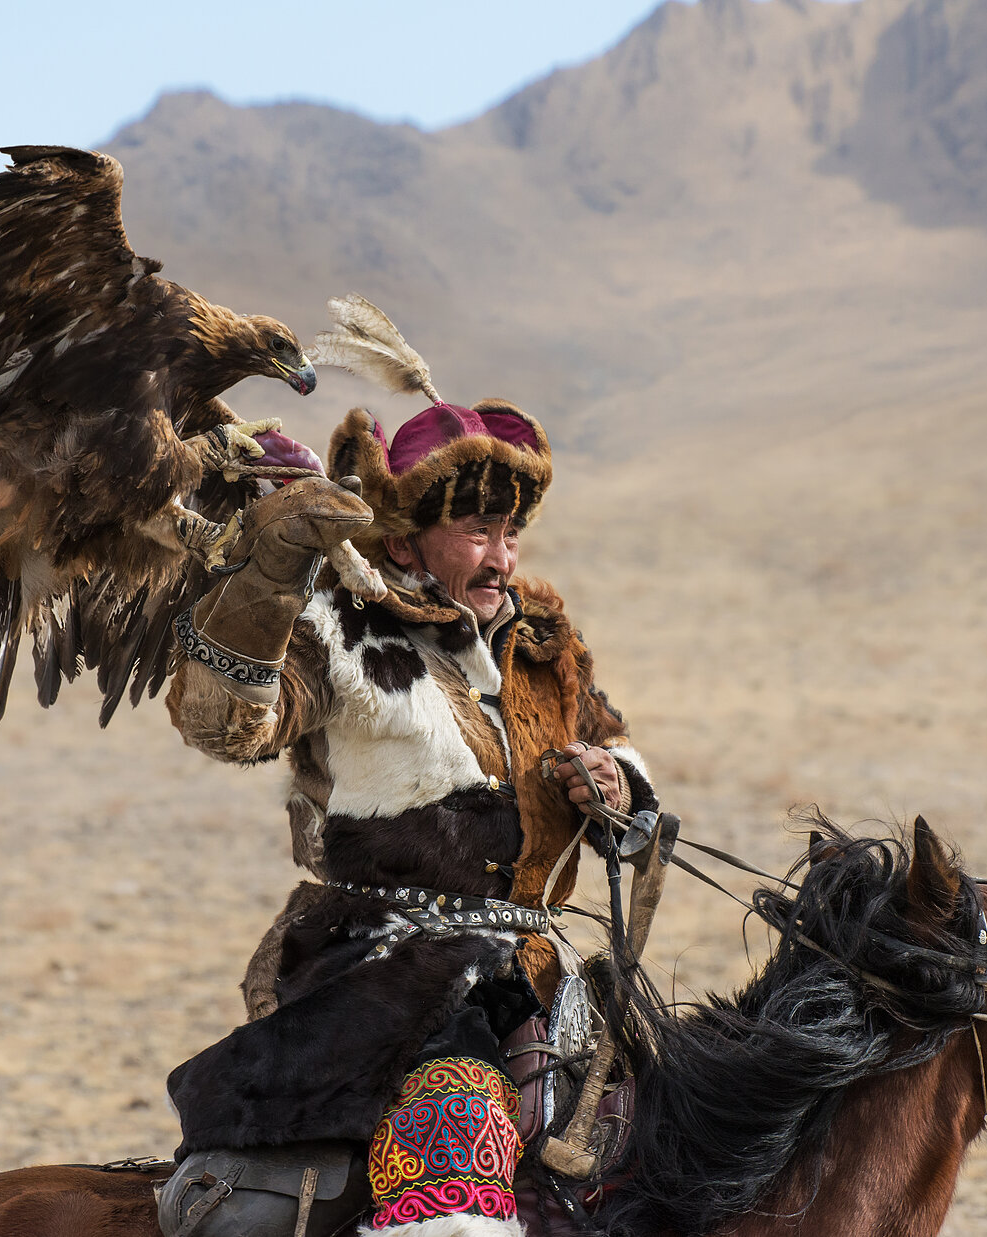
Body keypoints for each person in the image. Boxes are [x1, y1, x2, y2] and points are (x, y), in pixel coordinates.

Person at [160, 397, 658, 1237]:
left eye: (509, 534)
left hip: (542, 974)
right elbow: (226, 722)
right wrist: (268, 582)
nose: (500, 556)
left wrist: (616, 786)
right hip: (387, 974)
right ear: (402, 540)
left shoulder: (542, 644)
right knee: (451, 1139)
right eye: (476, 531)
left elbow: (624, 753)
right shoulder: (340, 628)